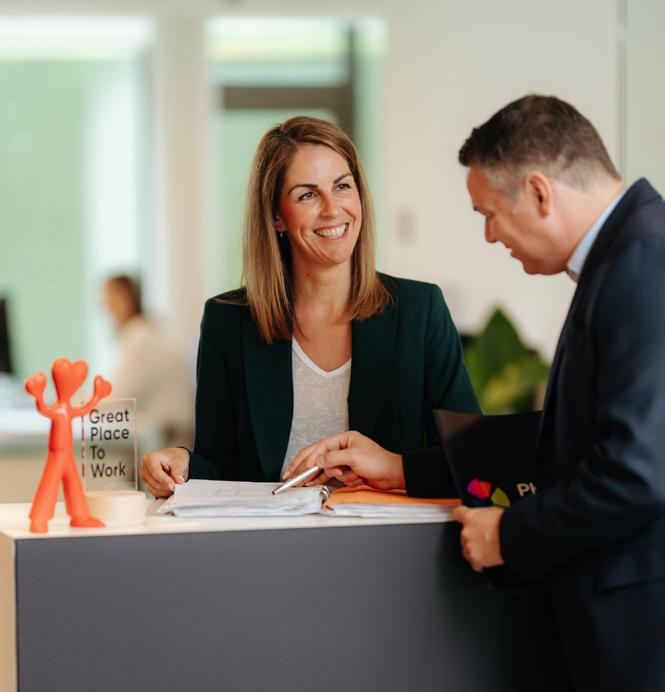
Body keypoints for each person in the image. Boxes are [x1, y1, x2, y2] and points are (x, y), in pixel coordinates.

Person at [288, 95, 665, 692]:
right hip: (637, 660)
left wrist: (512, 534)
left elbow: (636, 471)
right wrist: (406, 468)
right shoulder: (624, 258)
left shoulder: (640, 265)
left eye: (489, 214)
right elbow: (563, 442)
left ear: (537, 191)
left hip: (653, 658)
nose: (490, 237)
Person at [140, 116, 478, 497]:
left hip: (389, 533)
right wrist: (184, 464)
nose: (332, 209)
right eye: (307, 195)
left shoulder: (420, 310)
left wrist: (392, 468)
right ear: (276, 216)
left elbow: (472, 461)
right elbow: (221, 467)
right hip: (273, 534)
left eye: (342, 186)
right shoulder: (228, 321)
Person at [103, 274, 194, 447]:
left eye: (111, 299)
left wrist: (78, 405)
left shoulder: (140, 337)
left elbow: (119, 395)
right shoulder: (144, 332)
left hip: (169, 435)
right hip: (168, 430)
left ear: (126, 299)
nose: (106, 306)